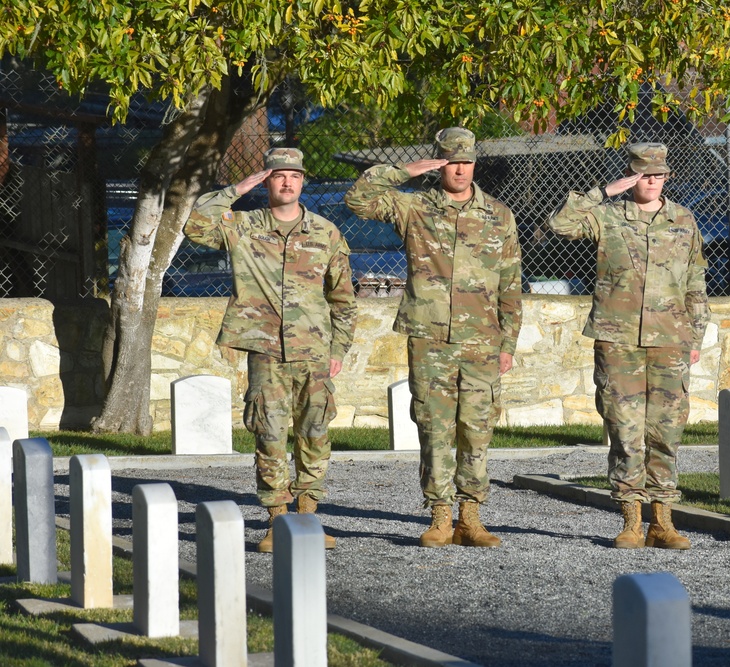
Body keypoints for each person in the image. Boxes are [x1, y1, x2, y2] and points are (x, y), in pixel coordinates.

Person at [345, 127, 522, 548]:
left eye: (465, 161)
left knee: (476, 428)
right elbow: (358, 199)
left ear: (475, 163)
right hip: (430, 336)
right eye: (450, 161)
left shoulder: (499, 214)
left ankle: (471, 517)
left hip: (482, 339)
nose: (459, 169)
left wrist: (508, 344)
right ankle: (440, 515)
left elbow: (511, 283)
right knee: (434, 425)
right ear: (440, 163)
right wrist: (404, 170)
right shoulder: (415, 207)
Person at [184, 147, 357, 553]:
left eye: (294, 176)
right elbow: (195, 223)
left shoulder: (326, 232)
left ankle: (307, 516)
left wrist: (339, 348)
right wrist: (238, 187)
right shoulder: (243, 226)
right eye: (277, 175)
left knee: (315, 433)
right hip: (265, 349)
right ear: (267, 181)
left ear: (302, 182)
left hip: (314, 351)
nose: (286, 182)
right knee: (270, 433)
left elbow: (344, 298)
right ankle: (276, 521)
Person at [547, 143, 710, 550]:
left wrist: (695, 335)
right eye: (643, 174)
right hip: (618, 340)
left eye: (658, 174)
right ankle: (631, 522)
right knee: (624, 430)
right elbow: (561, 224)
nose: (651, 181)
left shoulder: (683, 220)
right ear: (632, 175)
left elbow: (695, 282)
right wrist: (605, 191)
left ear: (667, 177)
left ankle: (663, 522)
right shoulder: (607, 217)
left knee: (666, 431)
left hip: (670, 340)